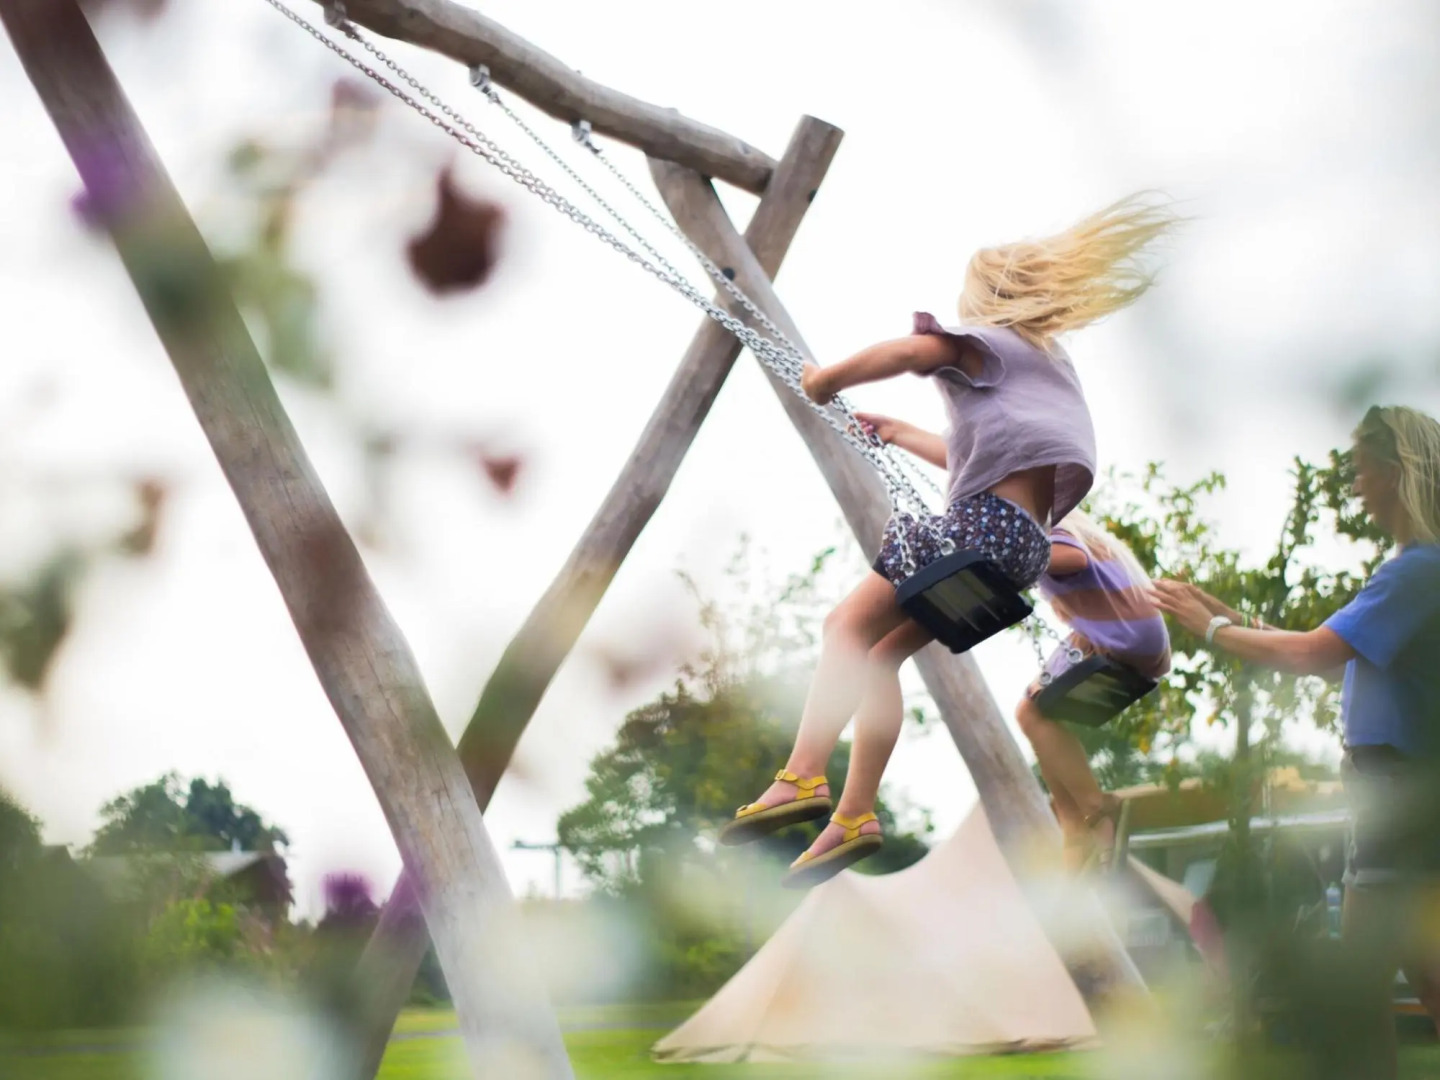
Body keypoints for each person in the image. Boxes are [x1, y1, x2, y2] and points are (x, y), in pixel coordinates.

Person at [716, 196, 1177, 889]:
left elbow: (908, 352)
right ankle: (855, 815)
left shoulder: (985, 342)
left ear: (985, 305)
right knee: (880, 655)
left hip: (983, 533)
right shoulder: (1048, 373)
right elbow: (989, 455)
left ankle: (802, 774)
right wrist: (901, 432)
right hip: (1018, 551)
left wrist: (826, 378)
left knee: (843, 625)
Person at [1151, 405, 1440, 1079]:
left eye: (1362, 470)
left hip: (1397, 793)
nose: (1355, 485)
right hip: (1393, 791)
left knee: (1362, 988)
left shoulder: (1418, 571)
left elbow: (1313, 653)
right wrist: (1233, 617)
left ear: (1397, 472)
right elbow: (1336, 650)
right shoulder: (1410, 571)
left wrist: (1211, 631)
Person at [1018, 509, 1171, 873]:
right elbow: (964, 463)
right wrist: (897, 445)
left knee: (1030, 712)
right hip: (1137, 636)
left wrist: (1008, 558)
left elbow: (1073, 558)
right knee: (1042, 715)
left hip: (1124, 635)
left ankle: (1097, 809)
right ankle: (1074, 825)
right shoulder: (1079, 527)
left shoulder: (1050, 526)